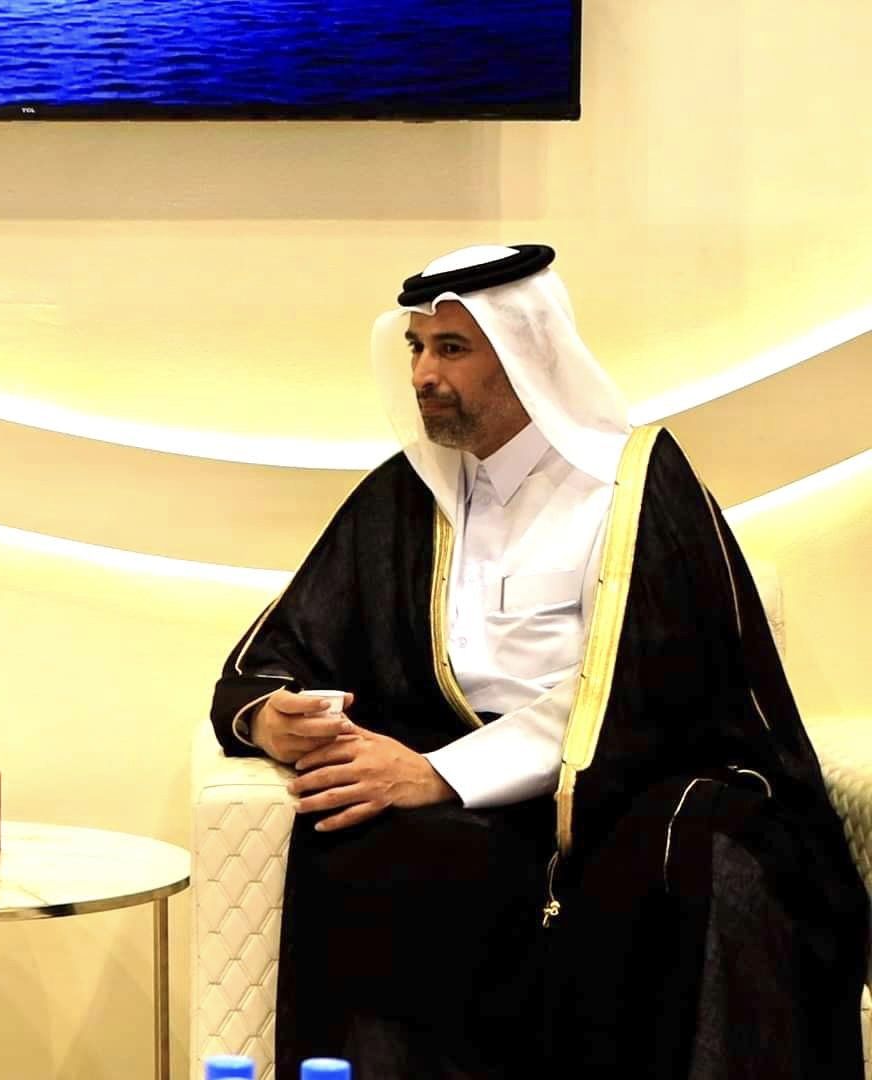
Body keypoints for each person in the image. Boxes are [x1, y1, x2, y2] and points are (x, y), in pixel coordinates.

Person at [209, 244, 866, 1077]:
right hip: (452, 785)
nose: (424, 374)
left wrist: (443, 774)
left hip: (621, 783)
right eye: (416, 347)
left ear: (528, 353)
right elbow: (283, 646)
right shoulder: (409, 494)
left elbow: (644, 688)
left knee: (696, 861)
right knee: (361, 845)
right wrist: (274, 718)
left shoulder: (632, 487)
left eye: (452, 348)